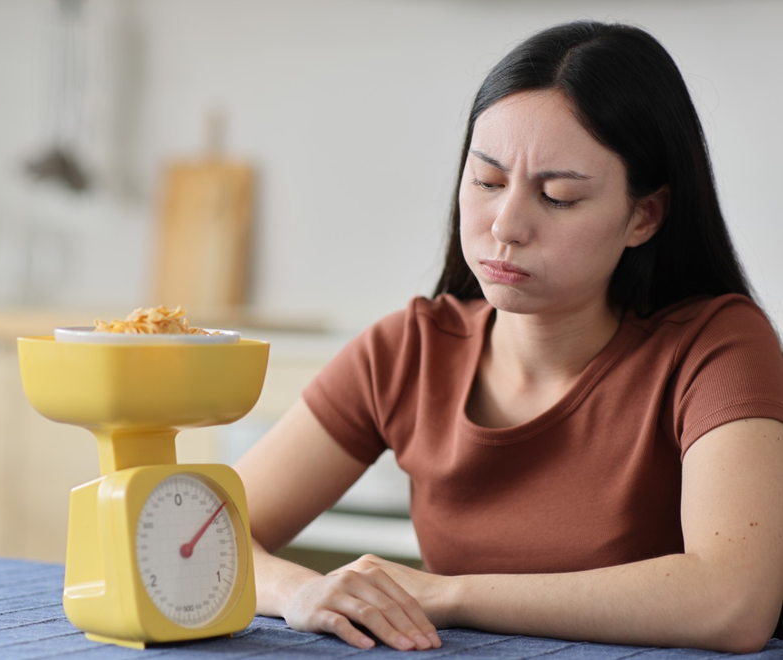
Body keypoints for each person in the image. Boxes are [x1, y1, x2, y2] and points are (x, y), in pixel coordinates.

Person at [234, 20, 783, 653]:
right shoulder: (406, 352)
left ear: (643, 215)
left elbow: (734, 602)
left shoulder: (715, 346)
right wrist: (297, 591)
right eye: (487, 182)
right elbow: (194, 540)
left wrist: (447, 593)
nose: (507, 225)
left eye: (558, 197)